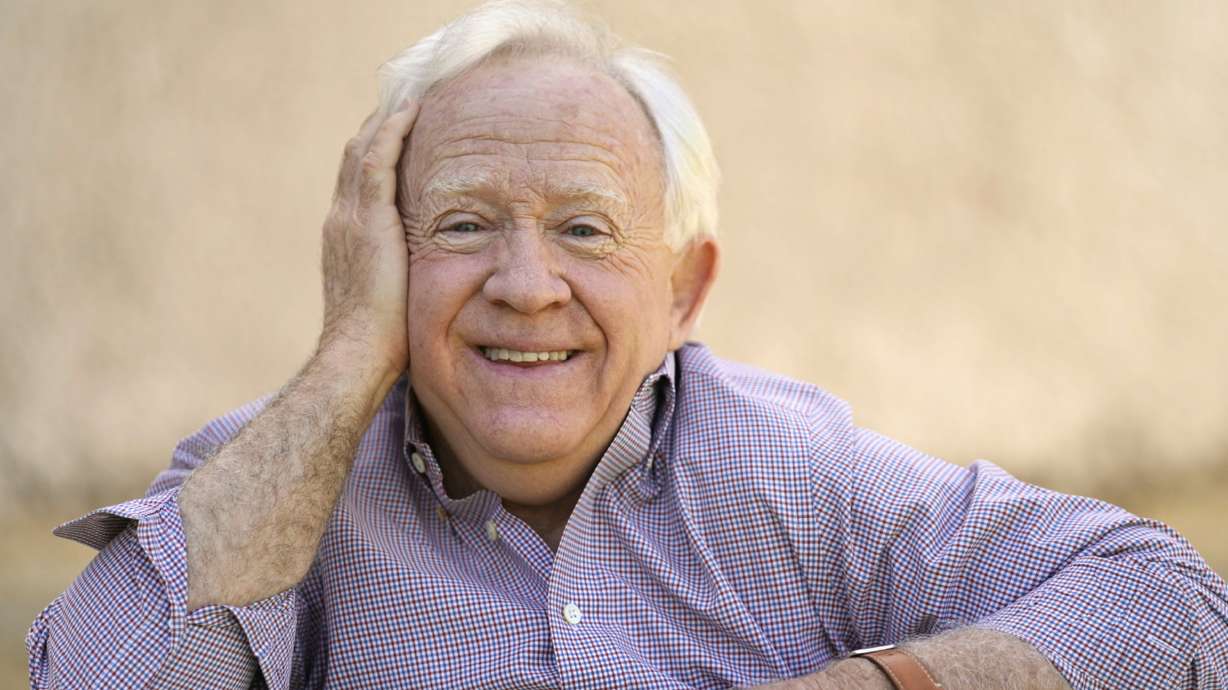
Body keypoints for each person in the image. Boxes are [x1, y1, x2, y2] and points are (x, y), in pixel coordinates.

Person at [26, 2, 1228, 688]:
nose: (525, 286)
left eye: (585, 231)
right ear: (376, 253)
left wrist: (883, 684)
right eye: (462, 224)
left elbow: (1173, 606)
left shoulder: (785, 473)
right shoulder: (277, 485)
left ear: (682, 287)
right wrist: (346, 358)